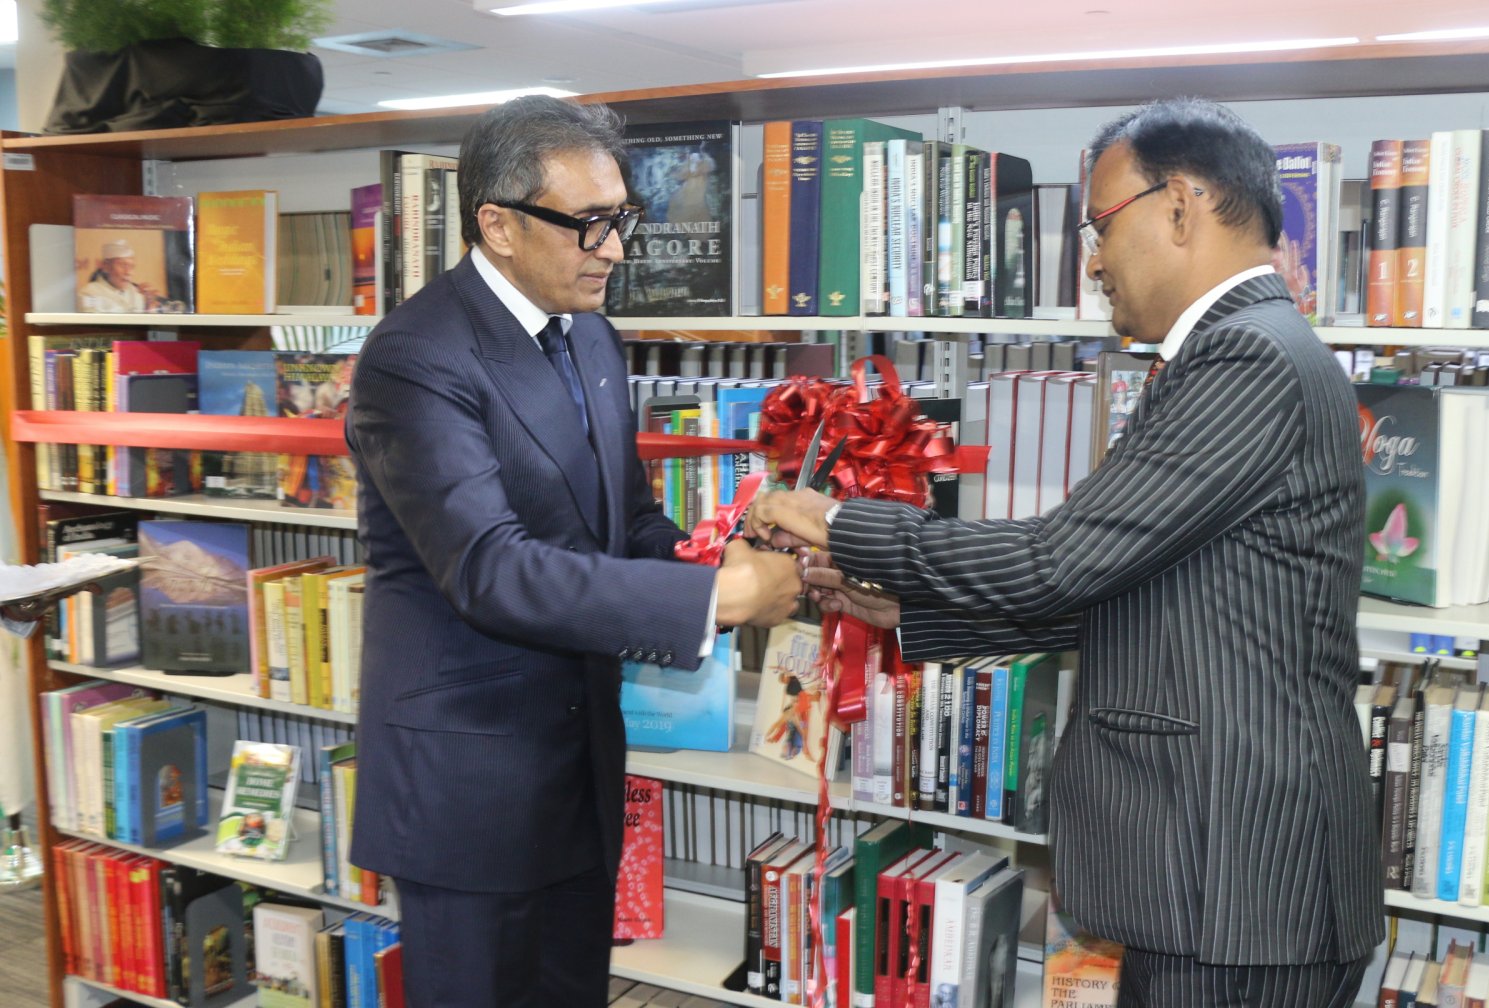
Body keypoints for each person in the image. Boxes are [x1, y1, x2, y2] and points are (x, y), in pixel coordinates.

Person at [750, 97, 1382, 1007]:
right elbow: (1140, 581)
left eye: (1100, 225)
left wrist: (840, 521)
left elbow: (1064, 559)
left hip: (1240, 884)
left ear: (1181, 206)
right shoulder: (1243, 352)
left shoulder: (1248, 360)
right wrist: (917, 609)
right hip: (1221, 880)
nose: (1092, 259)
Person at [344, 95, 801, 1007]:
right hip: (468, 780)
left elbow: (621, 517)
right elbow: (487, 568)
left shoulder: (589, 333)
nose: (617, 249)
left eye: (621, 219)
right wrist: (716, 603)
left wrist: (717, 555)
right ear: (497, 225)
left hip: (577, 759)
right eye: (590, 224)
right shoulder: (415, 355)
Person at [78, 239, 156, 312]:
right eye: (123, 265)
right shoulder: (88, 293)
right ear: (106, 266)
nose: (128, 272)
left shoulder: (137, 294)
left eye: (131, 267)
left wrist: (148, 307)